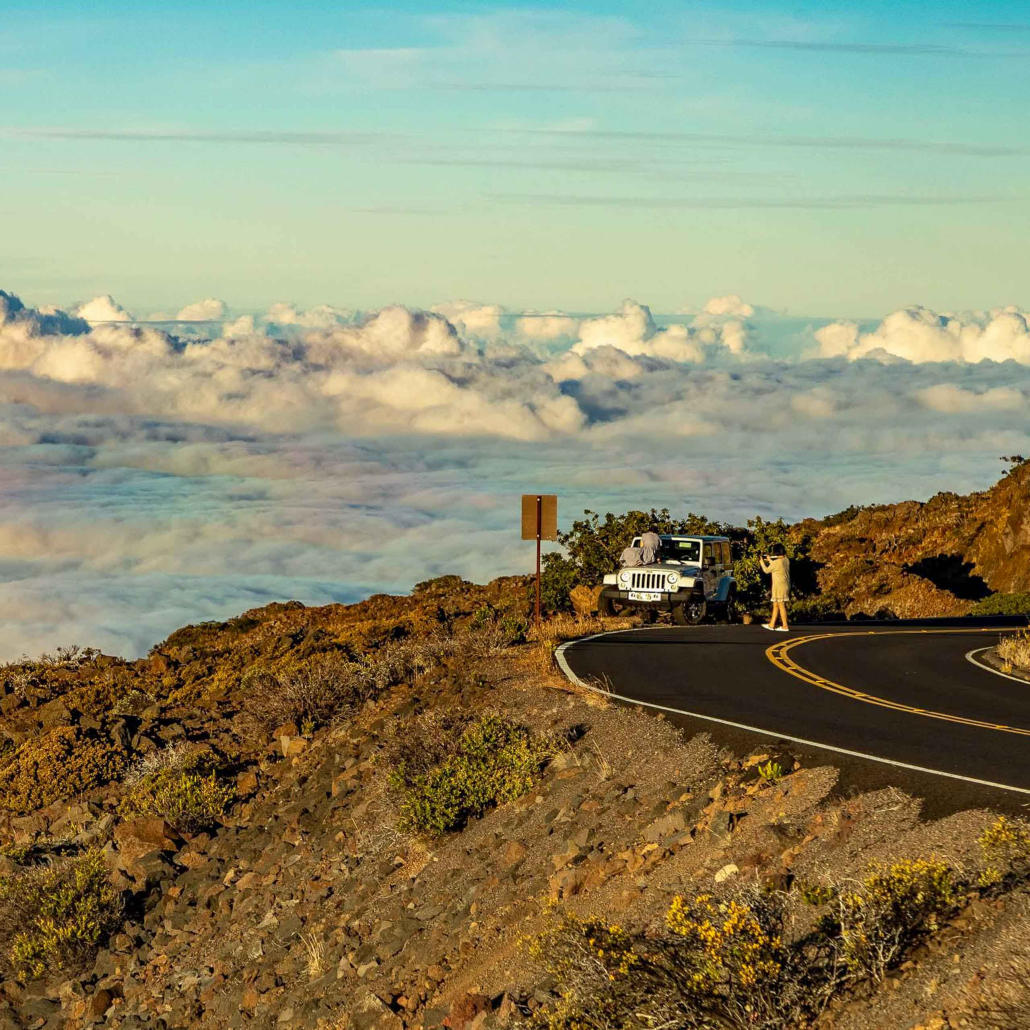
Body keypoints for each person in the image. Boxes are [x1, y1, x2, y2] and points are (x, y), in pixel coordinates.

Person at [760, 543, 790, 632]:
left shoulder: (777, 562)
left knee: (781, 605)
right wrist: (770, 560)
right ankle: (771, 624)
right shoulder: (786, 560)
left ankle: (785, 625)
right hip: (784, 585)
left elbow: (766, 570)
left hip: (779, 586)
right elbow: (777, 566)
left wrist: (762, 562)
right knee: (776, 605)